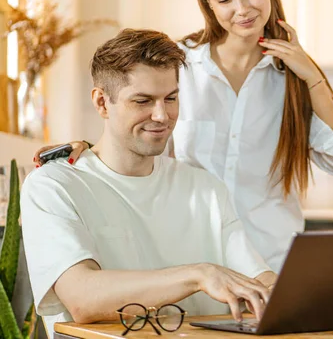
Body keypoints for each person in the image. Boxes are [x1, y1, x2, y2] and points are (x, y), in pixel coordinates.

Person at [33, 0, 333, 272]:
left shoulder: (293, 76)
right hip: (193, 264)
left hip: (272, 263)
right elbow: (143, 143)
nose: (242, 9)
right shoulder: (180, 65)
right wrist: (88, 150)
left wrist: (311, 77)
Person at [22, 29, 277, 337]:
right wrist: (198, 275)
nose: (162, 115)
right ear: (102, 102)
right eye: (143, 101)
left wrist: (286, 291)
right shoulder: (53, 185)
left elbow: (259, 280)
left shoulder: (205, 188)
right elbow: (82, 297)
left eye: (171, 98)